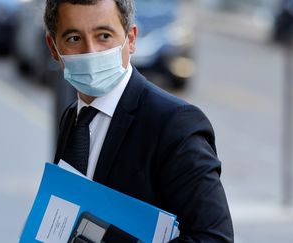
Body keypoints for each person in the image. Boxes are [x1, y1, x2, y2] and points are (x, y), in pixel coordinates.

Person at [44, 0, 234, 241]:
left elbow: (214, 238)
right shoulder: (73, 117)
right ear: (53, 47)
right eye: (74, 38)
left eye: (104, 35)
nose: (91, 51)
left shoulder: (175, 125)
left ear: (131, 39)